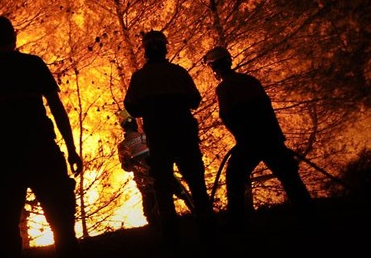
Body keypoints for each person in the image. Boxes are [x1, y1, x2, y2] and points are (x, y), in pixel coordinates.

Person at [0, 16, 83, 258]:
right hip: (42, 152)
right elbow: (56, 107)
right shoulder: (33, 65)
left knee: (5, 227)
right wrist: (71, 148)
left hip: (4, 158)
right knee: (61, 220)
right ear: (15, 35)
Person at [203, 46, 314, 231]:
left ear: (214, 67)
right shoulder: (250, 81)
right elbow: (267, 109)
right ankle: (309, 217)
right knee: (290, 177)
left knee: (234, 177)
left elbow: (229, 116)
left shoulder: (224, 88)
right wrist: (276, 138)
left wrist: (243, 140)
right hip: (270, 138)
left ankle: (236, 224)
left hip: (250, 142)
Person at [123, 30, 215, 245]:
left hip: (159, 138)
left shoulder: (140, 78)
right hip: (184, 135)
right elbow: (194, 100)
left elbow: (132, 107)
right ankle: (209, 231)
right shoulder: (178, 73)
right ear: (165, 48)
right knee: (197, 183)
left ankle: (171, 237)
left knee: (162, 187)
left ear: (146, 52)